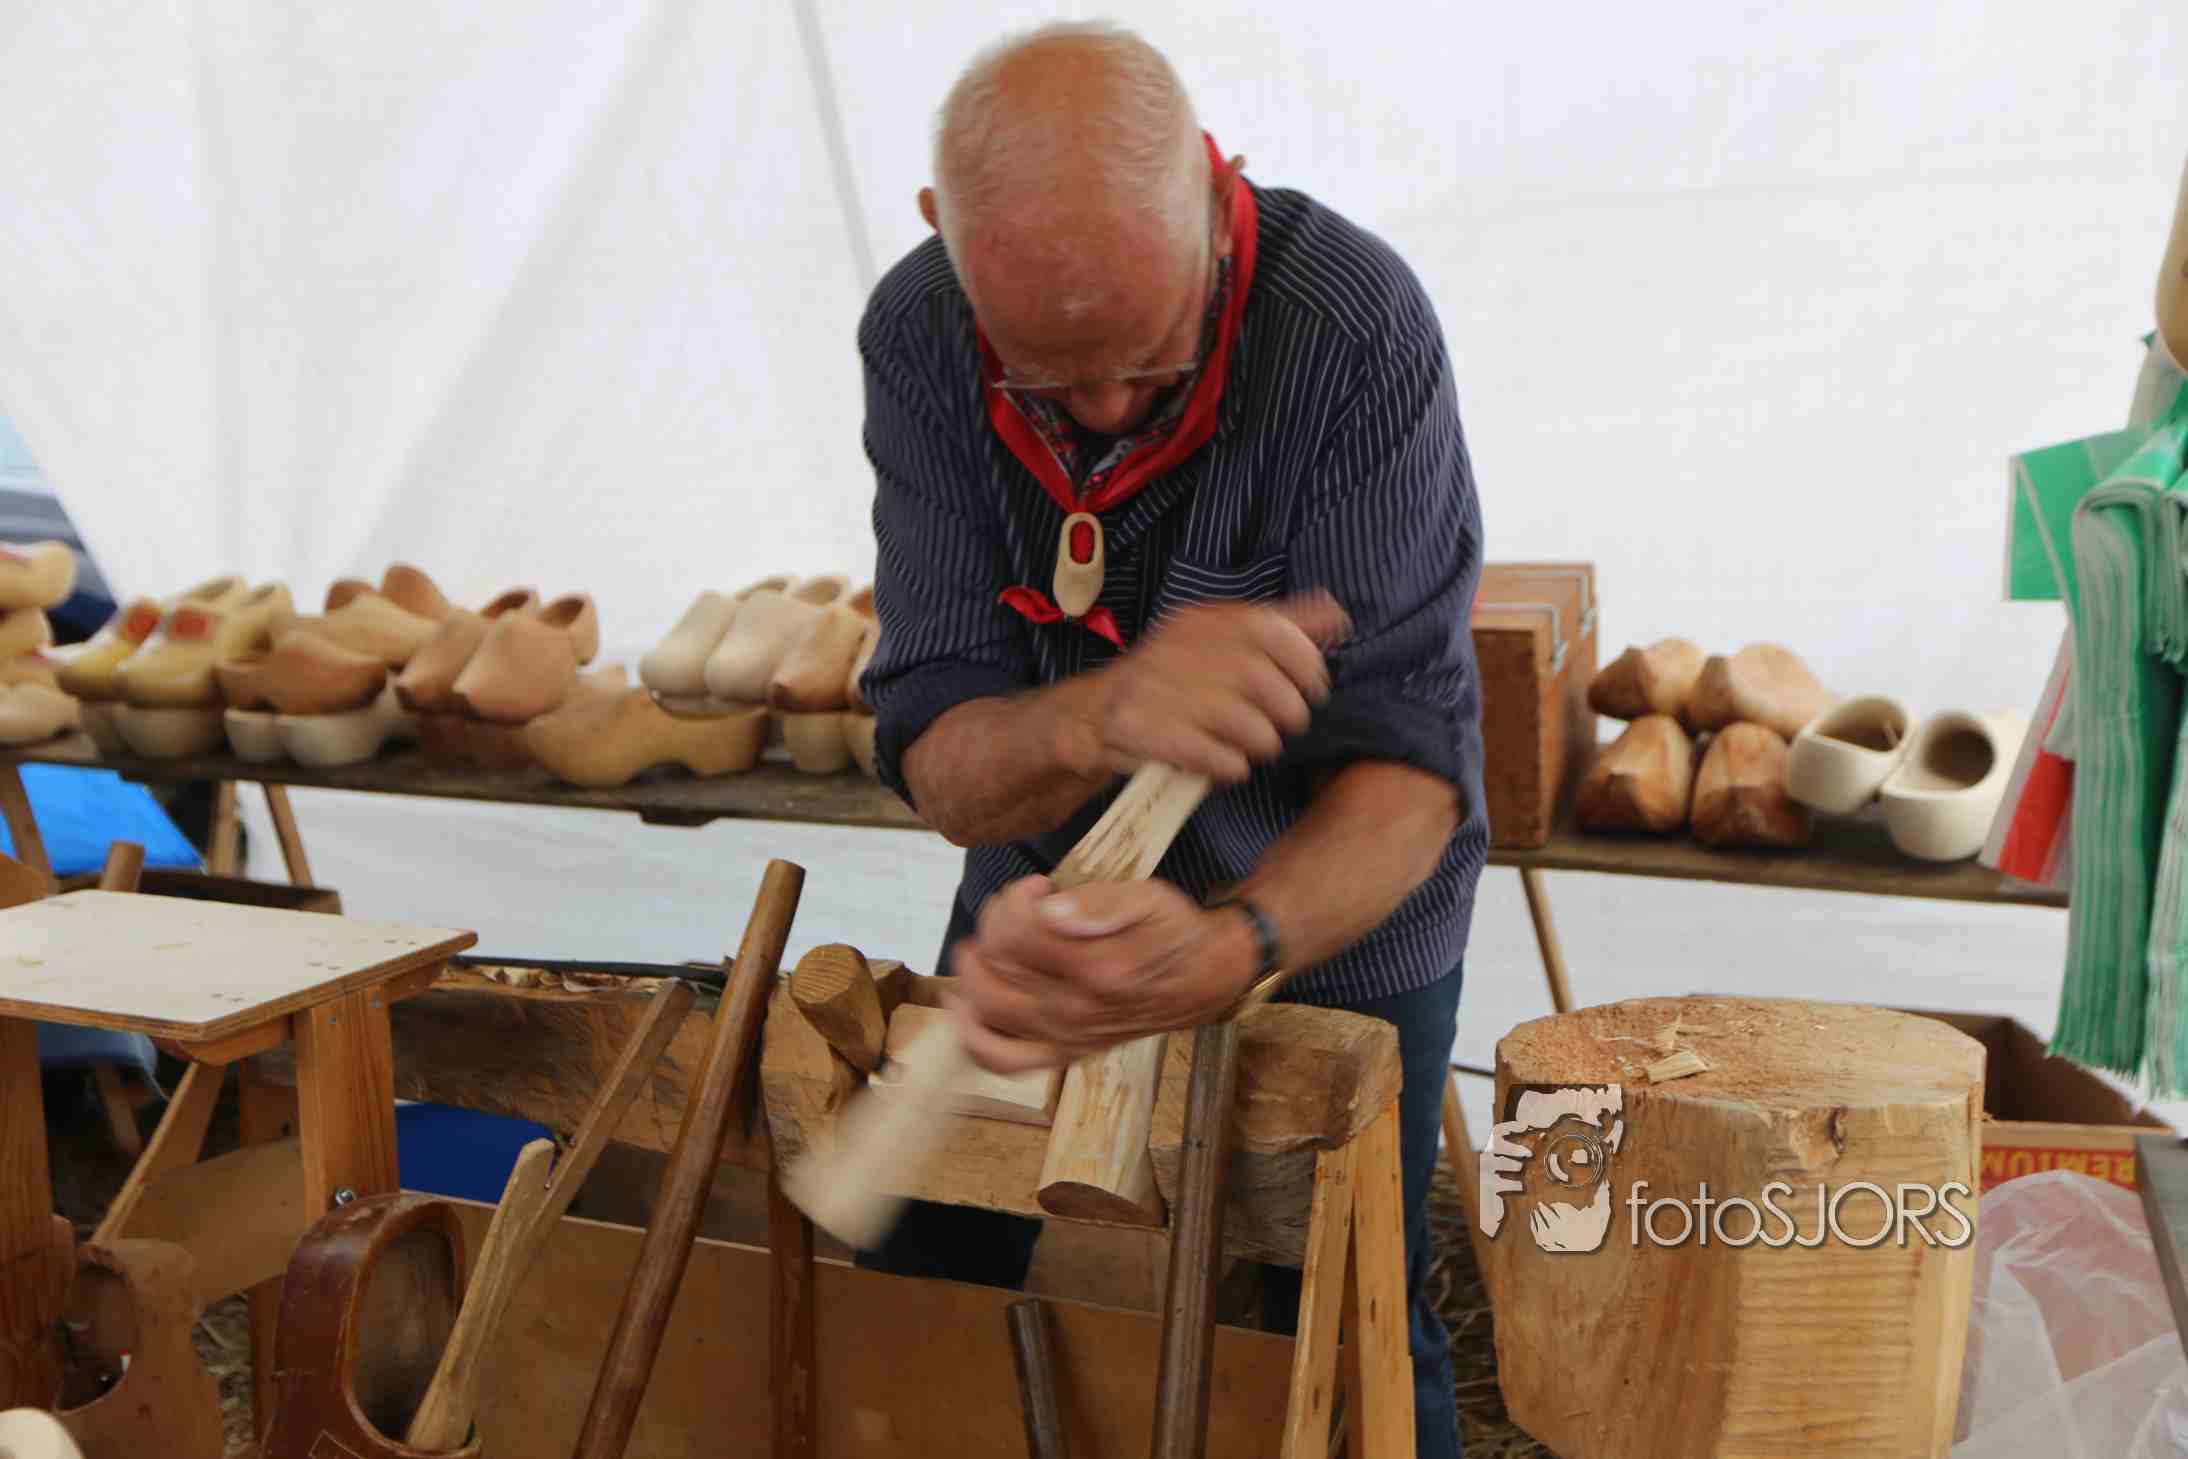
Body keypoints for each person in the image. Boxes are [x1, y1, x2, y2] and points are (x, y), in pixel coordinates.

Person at [857, 21, 1485, 1455]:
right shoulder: (919, 329)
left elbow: (1411, 775)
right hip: (1054, 895)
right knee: (924, 1261)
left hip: (1329, 907)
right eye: (1046, 379)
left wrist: (1229, 948)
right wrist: (1103, 709)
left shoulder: (1349, 325)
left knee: (1339, 1325)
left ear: (1216, 187)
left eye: (1152, 360)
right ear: (942, 233)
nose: (1104, 411)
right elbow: (947, 764)